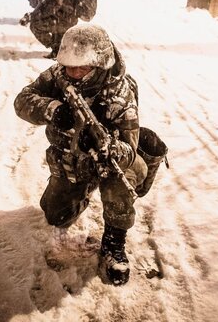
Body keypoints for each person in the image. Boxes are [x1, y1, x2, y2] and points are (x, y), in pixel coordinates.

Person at [14, 24, 147, 286]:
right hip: (70, 161)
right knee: (55, 213)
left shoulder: (120, 93)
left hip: (110, 163)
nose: (73, 74)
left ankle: (113, 244)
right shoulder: (59, 75)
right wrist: (53, 109)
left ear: (99, 64)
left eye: (81, 68)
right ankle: (80, 194)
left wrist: (107, 147)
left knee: (122, 182)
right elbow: (22, 100)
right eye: (69, 67)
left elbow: (130, 149)